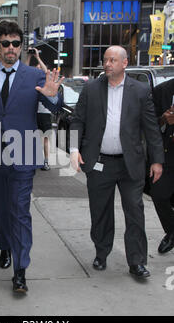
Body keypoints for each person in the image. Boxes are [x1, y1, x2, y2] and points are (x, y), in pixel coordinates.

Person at [0, 21, 63, 293]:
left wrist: (54, 97)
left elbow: (52, 101)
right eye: (5, 43)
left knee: (19, 212)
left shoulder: (33, 76)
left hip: (23, 153)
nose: (10, 48)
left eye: (15, 43)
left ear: (20, 46)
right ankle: (4, 246)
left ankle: (20, 269)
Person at [70, 45, 164, 279]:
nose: (107, 64)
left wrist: (157, 161)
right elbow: (77, 120)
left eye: (113, 60)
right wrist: (73, 149)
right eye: (105, 60)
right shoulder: (91, 89)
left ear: (124, 63)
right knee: (100, 211)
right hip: (100, 163)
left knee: (135, 211)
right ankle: (101, 253)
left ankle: (137, 262)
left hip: (130, 164)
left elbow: (151, 129)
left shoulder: (140, 91)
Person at [151, 79, 174, 254]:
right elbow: (149, 123)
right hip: (167, 154)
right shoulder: (162, 90)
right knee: (159, 194)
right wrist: (164, 119)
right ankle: (172, 231)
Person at [26, 48, 52, 171]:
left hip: (44, 113)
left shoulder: (47, 81)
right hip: (32, 112)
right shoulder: (30, 80)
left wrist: (37, 57)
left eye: (40, 68)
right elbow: (22, 73)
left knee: (45, 138)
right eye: (36, 68)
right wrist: (29, 57)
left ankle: (46, 161)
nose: (38, 70)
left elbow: (47, 73)